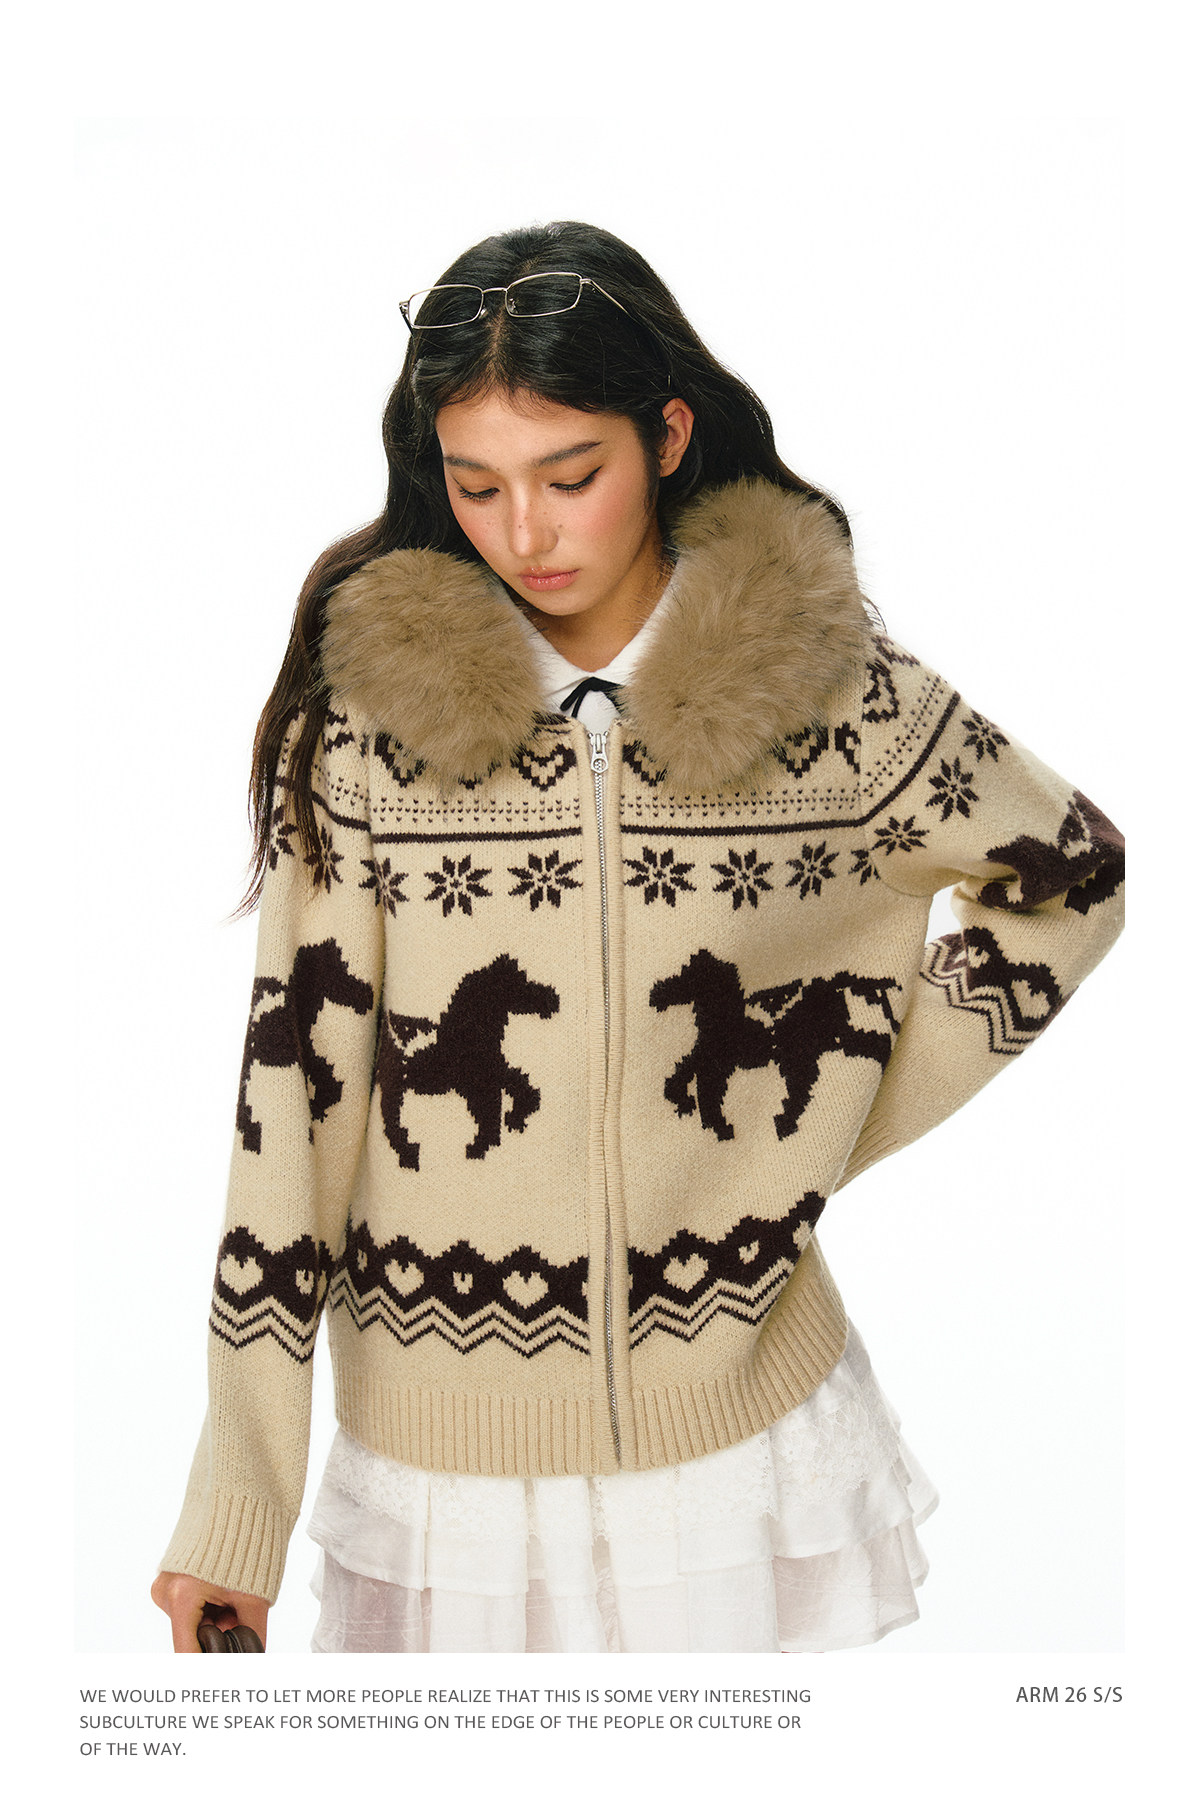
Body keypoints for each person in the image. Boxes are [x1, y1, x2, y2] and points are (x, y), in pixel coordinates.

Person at [152, 222, 1124, 1654]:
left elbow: (1074, 873)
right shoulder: (365, 734)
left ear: (666, 437)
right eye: (475, 485)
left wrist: (826, 1116)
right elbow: (290, 1108)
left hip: (745, 1469)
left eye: (570, 477)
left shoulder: (834, 700)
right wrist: (236, 1502)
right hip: (443, 1492)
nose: (523, 534)